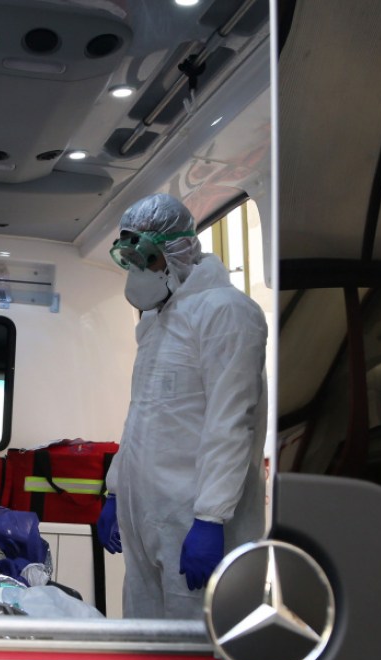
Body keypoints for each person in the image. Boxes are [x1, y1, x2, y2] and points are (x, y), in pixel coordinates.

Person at [96, 193, 268, 619]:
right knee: (144, 645)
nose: (139, 272)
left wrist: (211, 519)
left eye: (147, 258)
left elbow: (231, 423)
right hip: (146, 516)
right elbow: (141, 416)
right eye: (130, 259)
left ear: (178, 252)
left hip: (193, 520)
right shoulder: (159, 320)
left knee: (197, 650)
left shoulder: (227, 313)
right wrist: (116, 490)